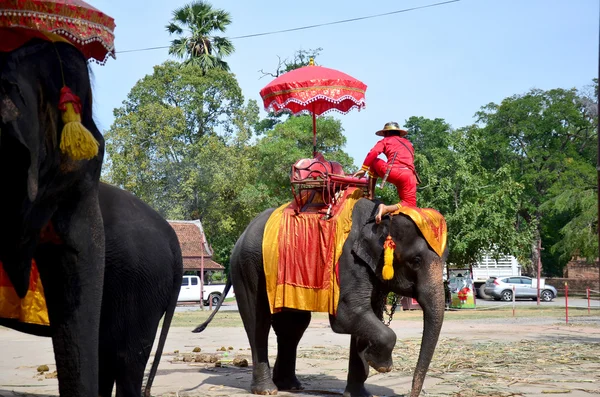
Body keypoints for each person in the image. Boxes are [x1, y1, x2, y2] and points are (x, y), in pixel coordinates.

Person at [353, 121, 418, 224]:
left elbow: (373, 153)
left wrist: (363, 168)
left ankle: (370, 195)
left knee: (374, 161)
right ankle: (387, 208)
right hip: (410, 176)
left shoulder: (385, 141)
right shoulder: (408, 143)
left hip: (393, 172)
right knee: (409, 204)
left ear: (386, 133)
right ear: (398, 133)